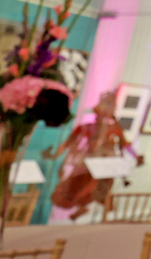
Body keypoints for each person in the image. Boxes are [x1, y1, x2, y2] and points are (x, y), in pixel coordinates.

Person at [44, 91, 142, 220]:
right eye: (98, 114)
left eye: (103, 114)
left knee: (95, 185)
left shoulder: (114, 129)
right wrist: (55, 154)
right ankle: (81, 206)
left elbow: (125, 145)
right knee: (77, 185)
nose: (99, 117)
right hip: (88, 162)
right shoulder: (86, 127)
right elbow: (69, 142)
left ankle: (91, 207)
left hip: (103, 164)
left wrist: (135, 157)